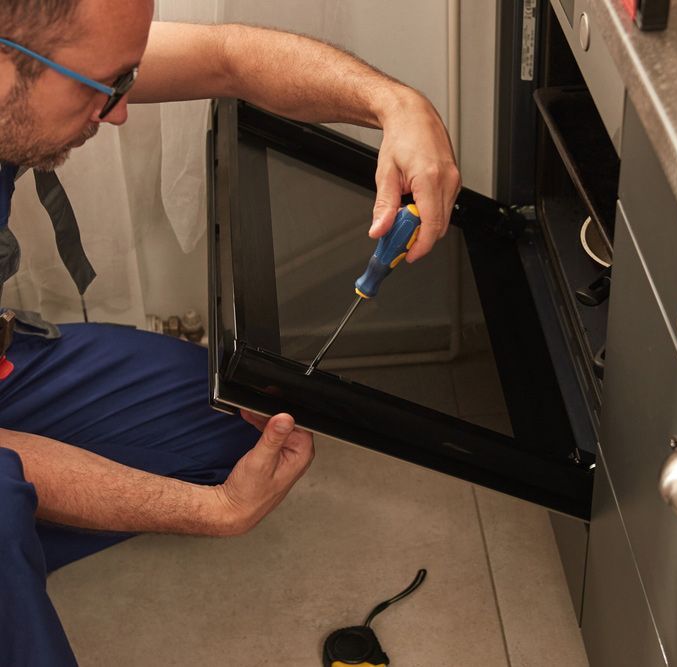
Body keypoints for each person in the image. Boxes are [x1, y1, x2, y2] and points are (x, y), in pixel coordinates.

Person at [0, 1, 462, 664]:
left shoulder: (29, 57)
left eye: (124, 81)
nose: (120, 111)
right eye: (100, 88)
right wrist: (211, 512)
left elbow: (228, 58)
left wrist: (397, 105)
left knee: (232, 418)